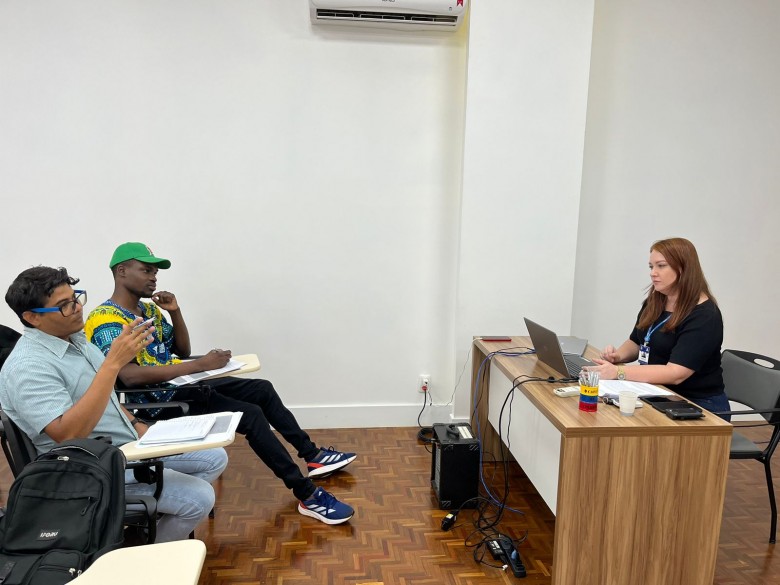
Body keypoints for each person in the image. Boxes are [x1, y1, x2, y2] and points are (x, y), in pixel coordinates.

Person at [84, 242, 356, 525]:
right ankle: (307, 494)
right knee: (251, 416)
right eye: (146, 270)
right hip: (158, 403)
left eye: (155, 272)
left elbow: (182, 351)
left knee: (261, 389)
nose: (154, 277)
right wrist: (200, 365)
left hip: (180, 386)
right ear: (122, 271)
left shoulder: (148, 310)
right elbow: (127, 376)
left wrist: (175, 312)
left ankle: (312, 455)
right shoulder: (106, 319)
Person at [0, 266, 229, 542]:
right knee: (199, 498)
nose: (77, 308)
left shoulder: (77, 341)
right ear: (32, 317)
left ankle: (136, 532)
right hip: (88, 470)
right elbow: (68, 435)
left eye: (76, 298)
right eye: (64, 305)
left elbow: (106, 398)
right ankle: (136, 554)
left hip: (124, 447)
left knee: (215, 456)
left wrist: (139, 426)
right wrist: (113, 364)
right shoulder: (27, 367)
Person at [586, 237, 730, 419]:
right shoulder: (657, 299)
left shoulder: (704, 316)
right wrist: (618, 356)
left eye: (661, 266)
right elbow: (636, 341)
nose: (653, 273)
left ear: (683, 268)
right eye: (651, 267)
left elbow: (675, 373)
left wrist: (618, 372)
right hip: (657, 392)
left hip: (697, 405)